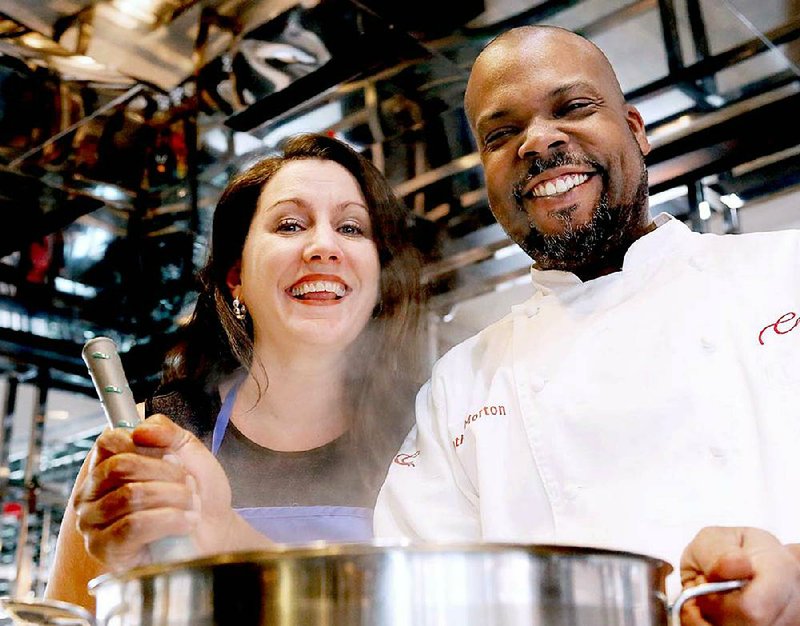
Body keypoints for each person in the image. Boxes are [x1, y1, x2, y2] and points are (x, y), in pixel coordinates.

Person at [373, 25, 800, 625]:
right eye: (501, 133)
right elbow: (419, 603)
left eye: (572, 107)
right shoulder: (458, 389)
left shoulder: (788, 276)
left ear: (635, 130)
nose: (537, 141)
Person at [44, 132, 427, 612]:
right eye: (290, 225)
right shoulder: (154, 439)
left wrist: (221, 529)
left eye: (352, 228)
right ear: (236, 277)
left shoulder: (432, 431)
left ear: (378, 277)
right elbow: (65, 618)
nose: (324, 246)